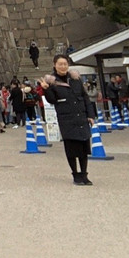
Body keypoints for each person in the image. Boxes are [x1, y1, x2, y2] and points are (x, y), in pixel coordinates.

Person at [41, 54, 97, 185]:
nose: (63, 66)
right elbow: (52, 100)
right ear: (54, 65)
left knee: (84, 147)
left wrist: (90, 115)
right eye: (60, 64)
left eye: (65, 64)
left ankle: (84, 174)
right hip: (67, 118)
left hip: (81, 116)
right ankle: (75, 174)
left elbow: (85, 98)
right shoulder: (52, 81)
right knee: (72, 148)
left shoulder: (75, 79)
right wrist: (46, 90)